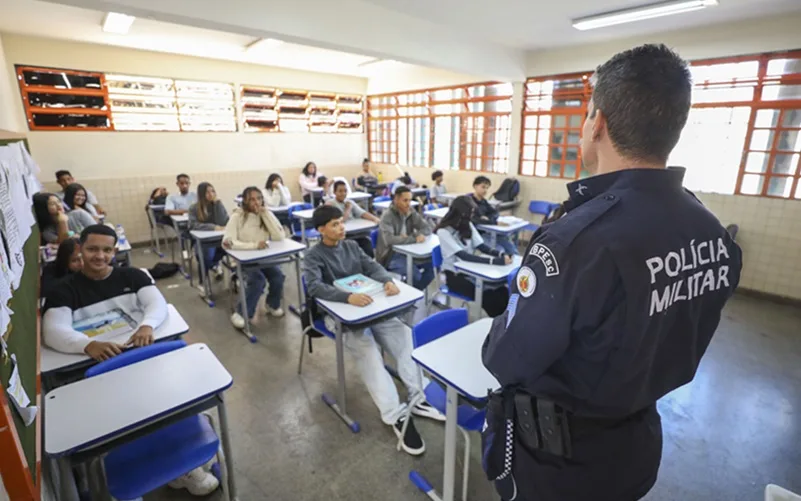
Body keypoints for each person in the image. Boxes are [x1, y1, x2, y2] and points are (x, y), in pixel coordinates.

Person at [480, 44, 742, 501]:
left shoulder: (576, 242)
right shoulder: (710, 231)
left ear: (596, 122)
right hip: (635, 448)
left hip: (559, 465)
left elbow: (506, 358)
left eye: (585, 116)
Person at [41, 224, 221, 496]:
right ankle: (117, 479)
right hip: (96, 372)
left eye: (106, 250)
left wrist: (147, 326)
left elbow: (156, 304)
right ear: (80, 249)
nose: (99, 256)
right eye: (92, 249)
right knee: (114, 427)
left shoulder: (133, 275)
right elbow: (54, 330)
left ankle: (184, 469)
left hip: (143, 362)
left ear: (114, 251)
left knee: (169, 408)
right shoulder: (62, 290)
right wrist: (87, 345)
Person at [302, 205, 444, 456]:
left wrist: (387, 280)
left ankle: (417, 396)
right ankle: (395, 414)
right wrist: (347, 298)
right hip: (339, 316)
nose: (341, 227)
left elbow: (372, 267)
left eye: (341, 222)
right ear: (321, 229)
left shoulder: (352, 246)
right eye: (334, 224)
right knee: (368, 353)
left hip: (370, 307)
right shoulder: (314, 256)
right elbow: (314, 287)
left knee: (403, 336)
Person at [435, 196, 511, 317]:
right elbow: (464, 256)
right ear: (461, 213)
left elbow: (481, 245)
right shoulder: (444, 231)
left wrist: (500, 254)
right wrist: (495, 261)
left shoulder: (467, 225)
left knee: (503, 291)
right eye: (470, 213)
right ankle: (498, 326)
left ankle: (506, 322)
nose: (472, 216)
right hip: (454, 277)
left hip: (470, 272)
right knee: (490, 297)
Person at [223, 187, 286, 329]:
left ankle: (272, 304)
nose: (256, 202)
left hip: (263, 258)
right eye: (252, 199)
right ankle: (241, 313)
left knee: (278, 275)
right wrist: (254, 245)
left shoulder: (264, 214)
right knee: (258, 280)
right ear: (245, 201)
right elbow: (228, 242)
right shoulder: (237, 217)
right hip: (243, 260)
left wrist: (266, 214)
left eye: (258, 198)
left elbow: (279, 236)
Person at [376, 186, 434, 291]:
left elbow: (427, 228)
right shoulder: (387, 216)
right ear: (396, 200)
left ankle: (413, 292)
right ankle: (410, 295)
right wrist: (414, 239)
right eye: (405, 200)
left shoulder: (410, 212)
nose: (408, 204)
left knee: (434, 266)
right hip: (391, 255)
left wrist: (415, 235)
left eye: (410, 200)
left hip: (410, 251)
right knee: (415, 275)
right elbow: (389, 240)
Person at [189, 182, 229, 287]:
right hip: (204, 242)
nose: (211, 194)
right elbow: (193, 225)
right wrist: (213, 227)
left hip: (220, 239)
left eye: (213, 191)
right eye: (207, 192)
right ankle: (203, 283)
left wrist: (218, 205)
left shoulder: (217, 204)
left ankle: (217, 267)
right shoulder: (194, 208)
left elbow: (224, 221)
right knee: (207, 256)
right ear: (201, 194)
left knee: (231, 251)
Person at [327, 180, 380, 257]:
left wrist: (375, 219)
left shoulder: (349, 202)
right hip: (343, 236)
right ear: (334, 192)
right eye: (340, 191)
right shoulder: (330, 204)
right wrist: (348, 209)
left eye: (345, 191)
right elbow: (341, 221)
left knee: (367, 245)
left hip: (356, 233)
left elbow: (362, 213)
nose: (343, 194)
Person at [470, 176, 518, 256]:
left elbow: (495, 212)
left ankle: (518, 266)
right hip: (475, 234)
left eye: (487, 188)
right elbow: (474, 220)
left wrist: (487, 218)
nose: (485, 190)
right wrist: (494, 222)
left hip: (487, 232)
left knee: (511, 248)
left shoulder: (483, 201)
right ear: (475, 186)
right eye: (483, 187)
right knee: (500, 250)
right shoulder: (469, 201)